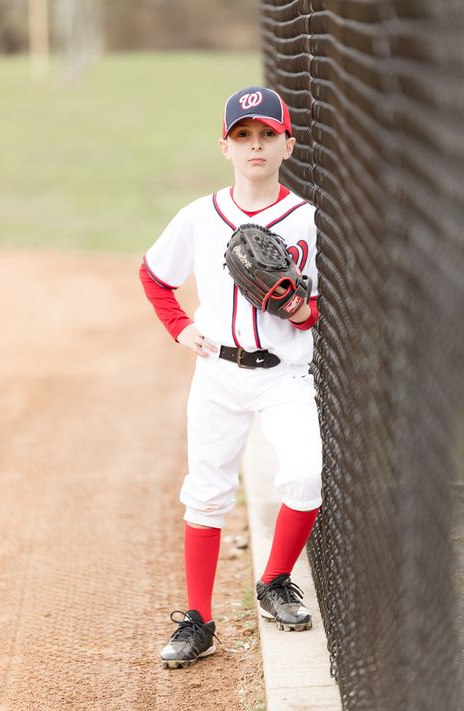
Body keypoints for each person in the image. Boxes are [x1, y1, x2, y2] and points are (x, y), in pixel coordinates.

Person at [139, 86, 323, 670]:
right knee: (207, 492)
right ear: (225, 146)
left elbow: (315, 305)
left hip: (284, 373)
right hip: (218, 371)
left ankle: (274, 581)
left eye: (268, 134)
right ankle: (199, 620)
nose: (256, 145)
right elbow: (153, 273)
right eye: (243, 136)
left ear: (288, 144)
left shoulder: (308, 221)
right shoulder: (199, 215)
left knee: (306, 473)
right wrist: (178, 326)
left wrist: (299, 310)